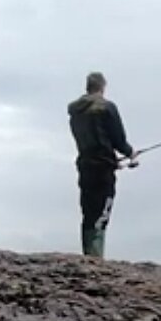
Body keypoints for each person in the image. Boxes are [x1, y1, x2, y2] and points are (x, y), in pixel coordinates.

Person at [68, 71, 138, 258]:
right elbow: (118, 139)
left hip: (85, 166)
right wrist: (130, 153)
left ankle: (88, 254)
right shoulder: (107, 107)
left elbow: (91, 140)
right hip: (103, 169)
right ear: (102, 87)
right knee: (102, 212)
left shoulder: (76, 112)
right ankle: (96, 257)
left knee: (88, 212)